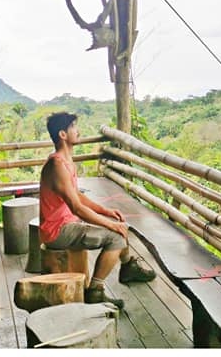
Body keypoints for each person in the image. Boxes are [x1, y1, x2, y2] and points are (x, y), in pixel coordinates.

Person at [39, 111, 155, 308]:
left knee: (119, 225)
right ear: (62, 135)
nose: (78, 131)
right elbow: (77, 208)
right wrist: (110, 224)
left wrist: (105, 212)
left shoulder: (65, 161)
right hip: (57, 231)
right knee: (116, 236)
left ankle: (128, 266)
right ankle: (95, 290)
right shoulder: (57, 164)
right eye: (74, 127)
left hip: (66, 224)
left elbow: (77, 196)